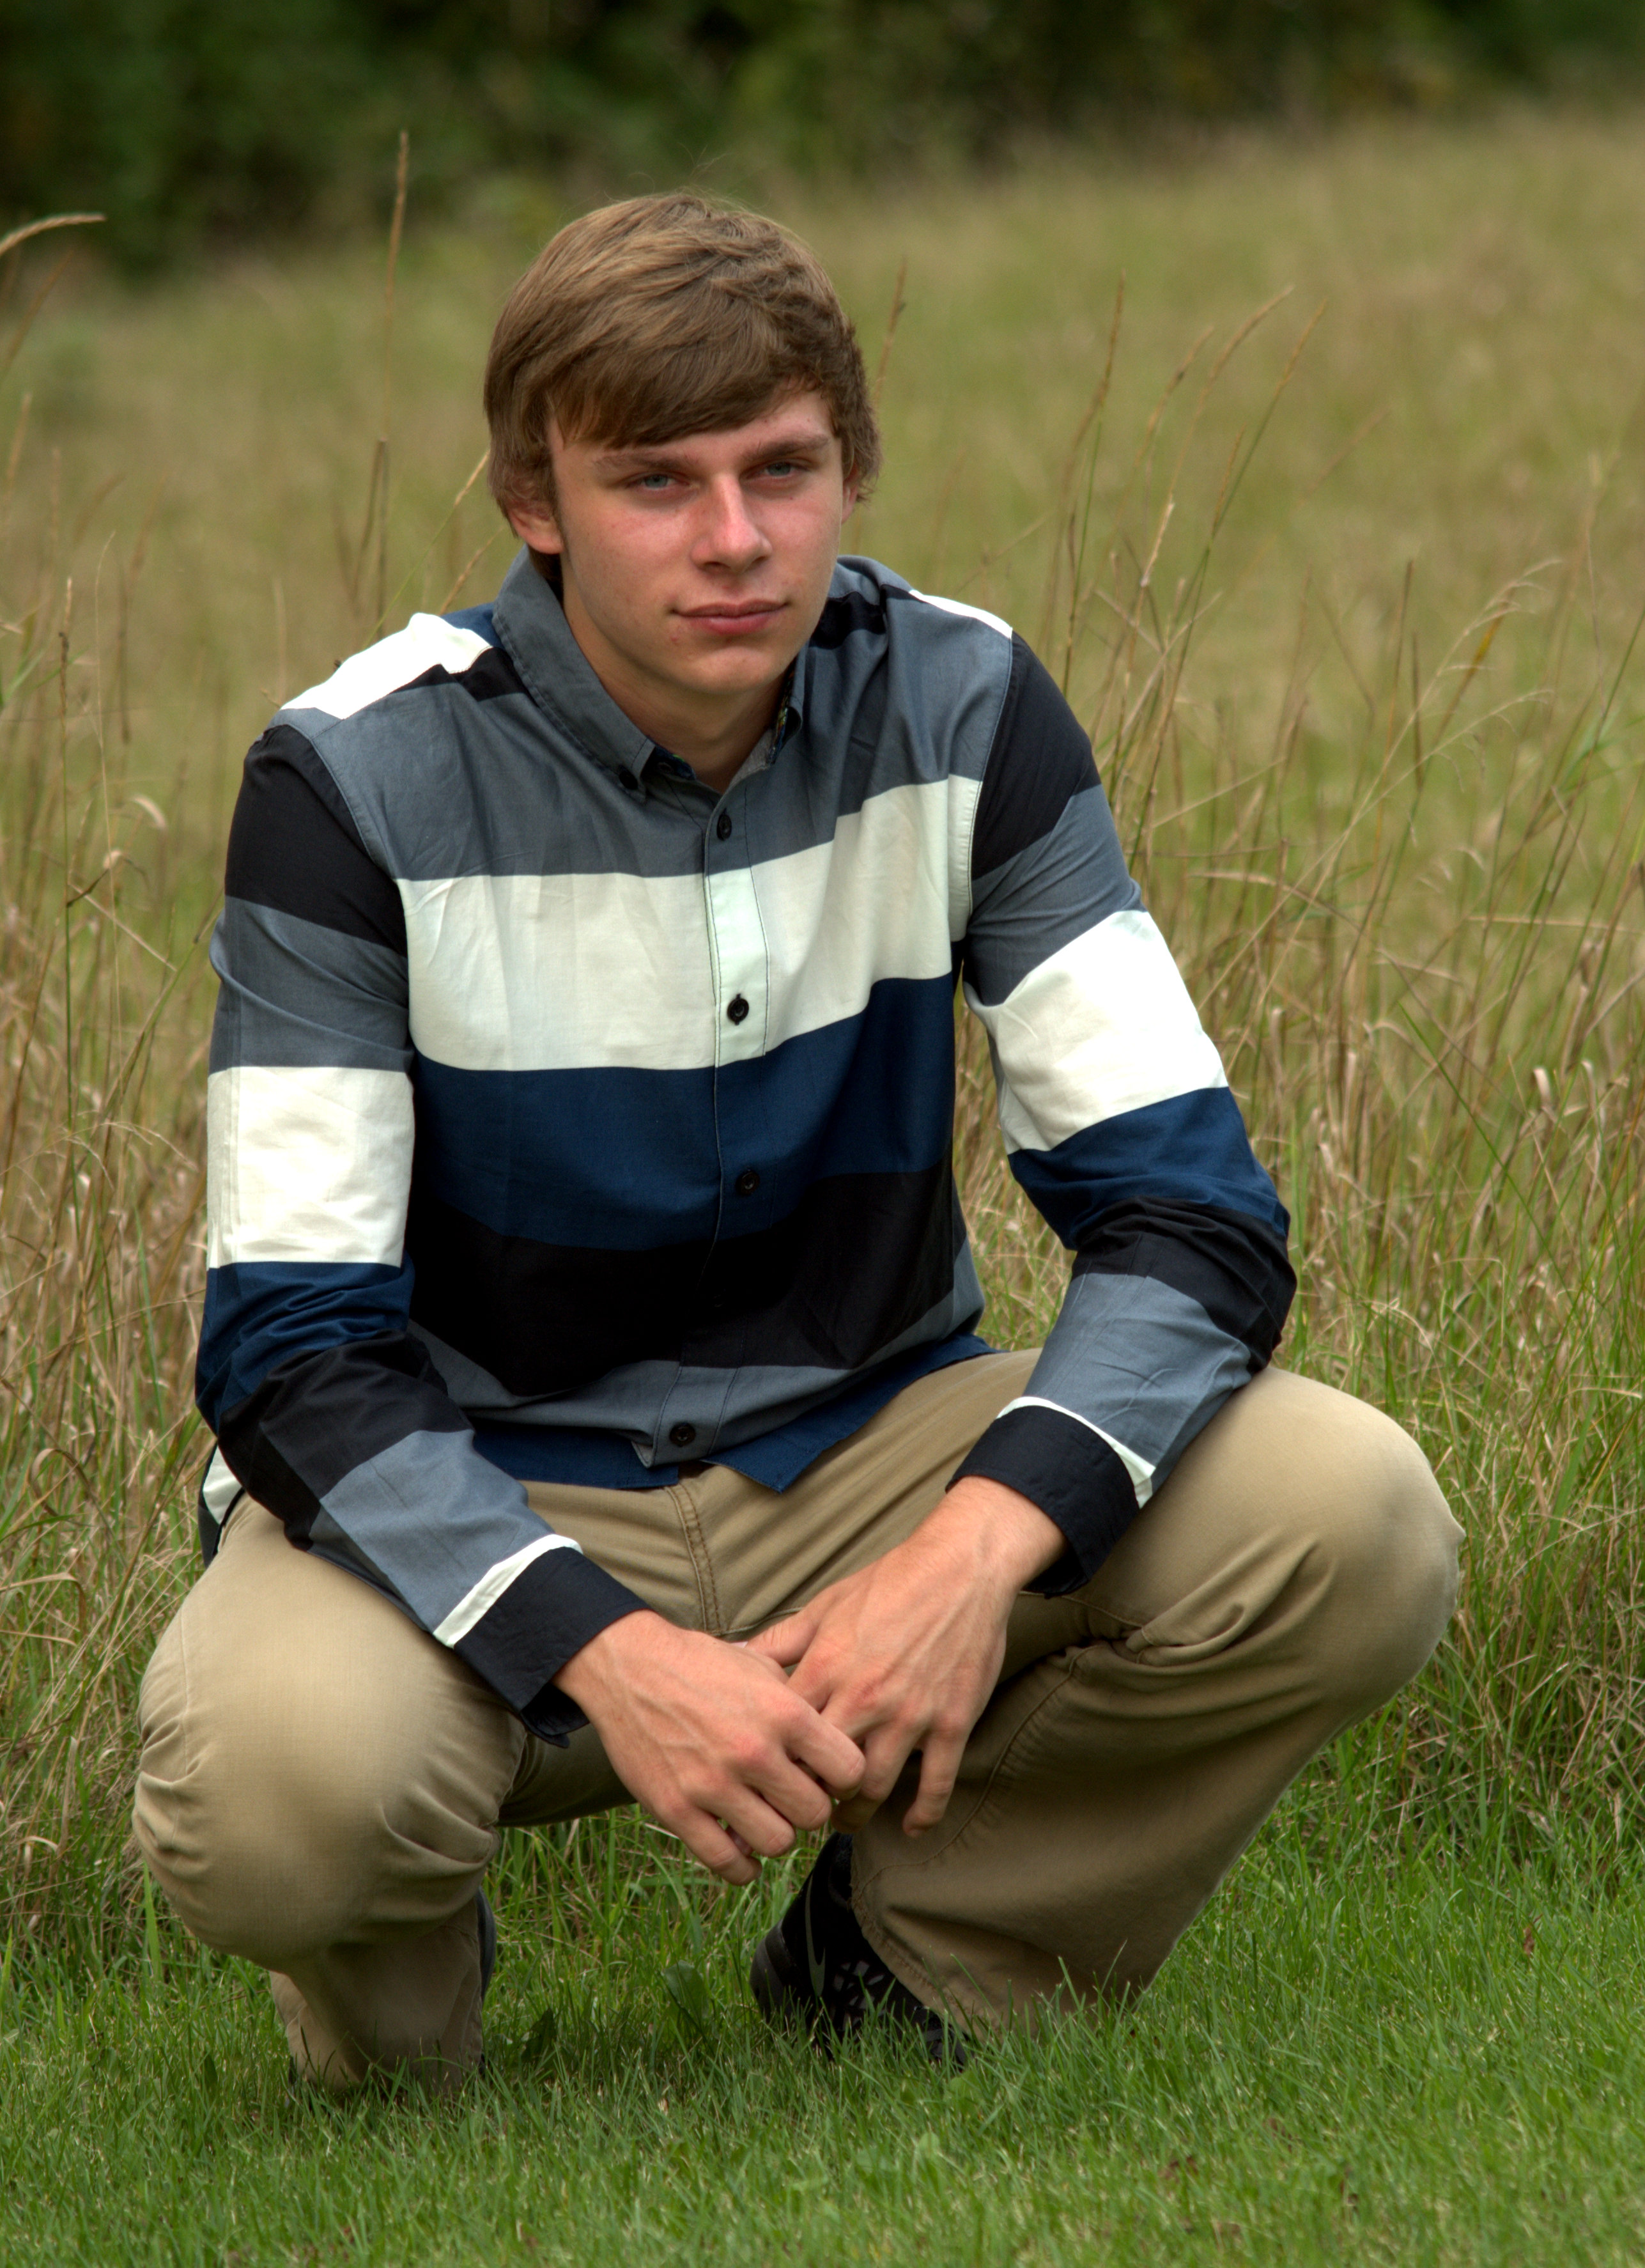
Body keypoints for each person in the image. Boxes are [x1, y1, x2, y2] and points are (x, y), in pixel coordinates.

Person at [134, 192, 1460, 2090]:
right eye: (656, 483)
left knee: (1356, 1517)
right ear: (534, 499)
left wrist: (974, 1553)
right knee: (278, 1797)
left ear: (852, 467)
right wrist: (608, 1652)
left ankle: (912, 1958)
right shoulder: (351, 779)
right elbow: (293, 1348)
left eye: (781, 468)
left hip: (868, 1444)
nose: (737, 539)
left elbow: (1189, 1216)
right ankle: (400, 2023)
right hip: (486, 1466)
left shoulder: (965, 701)